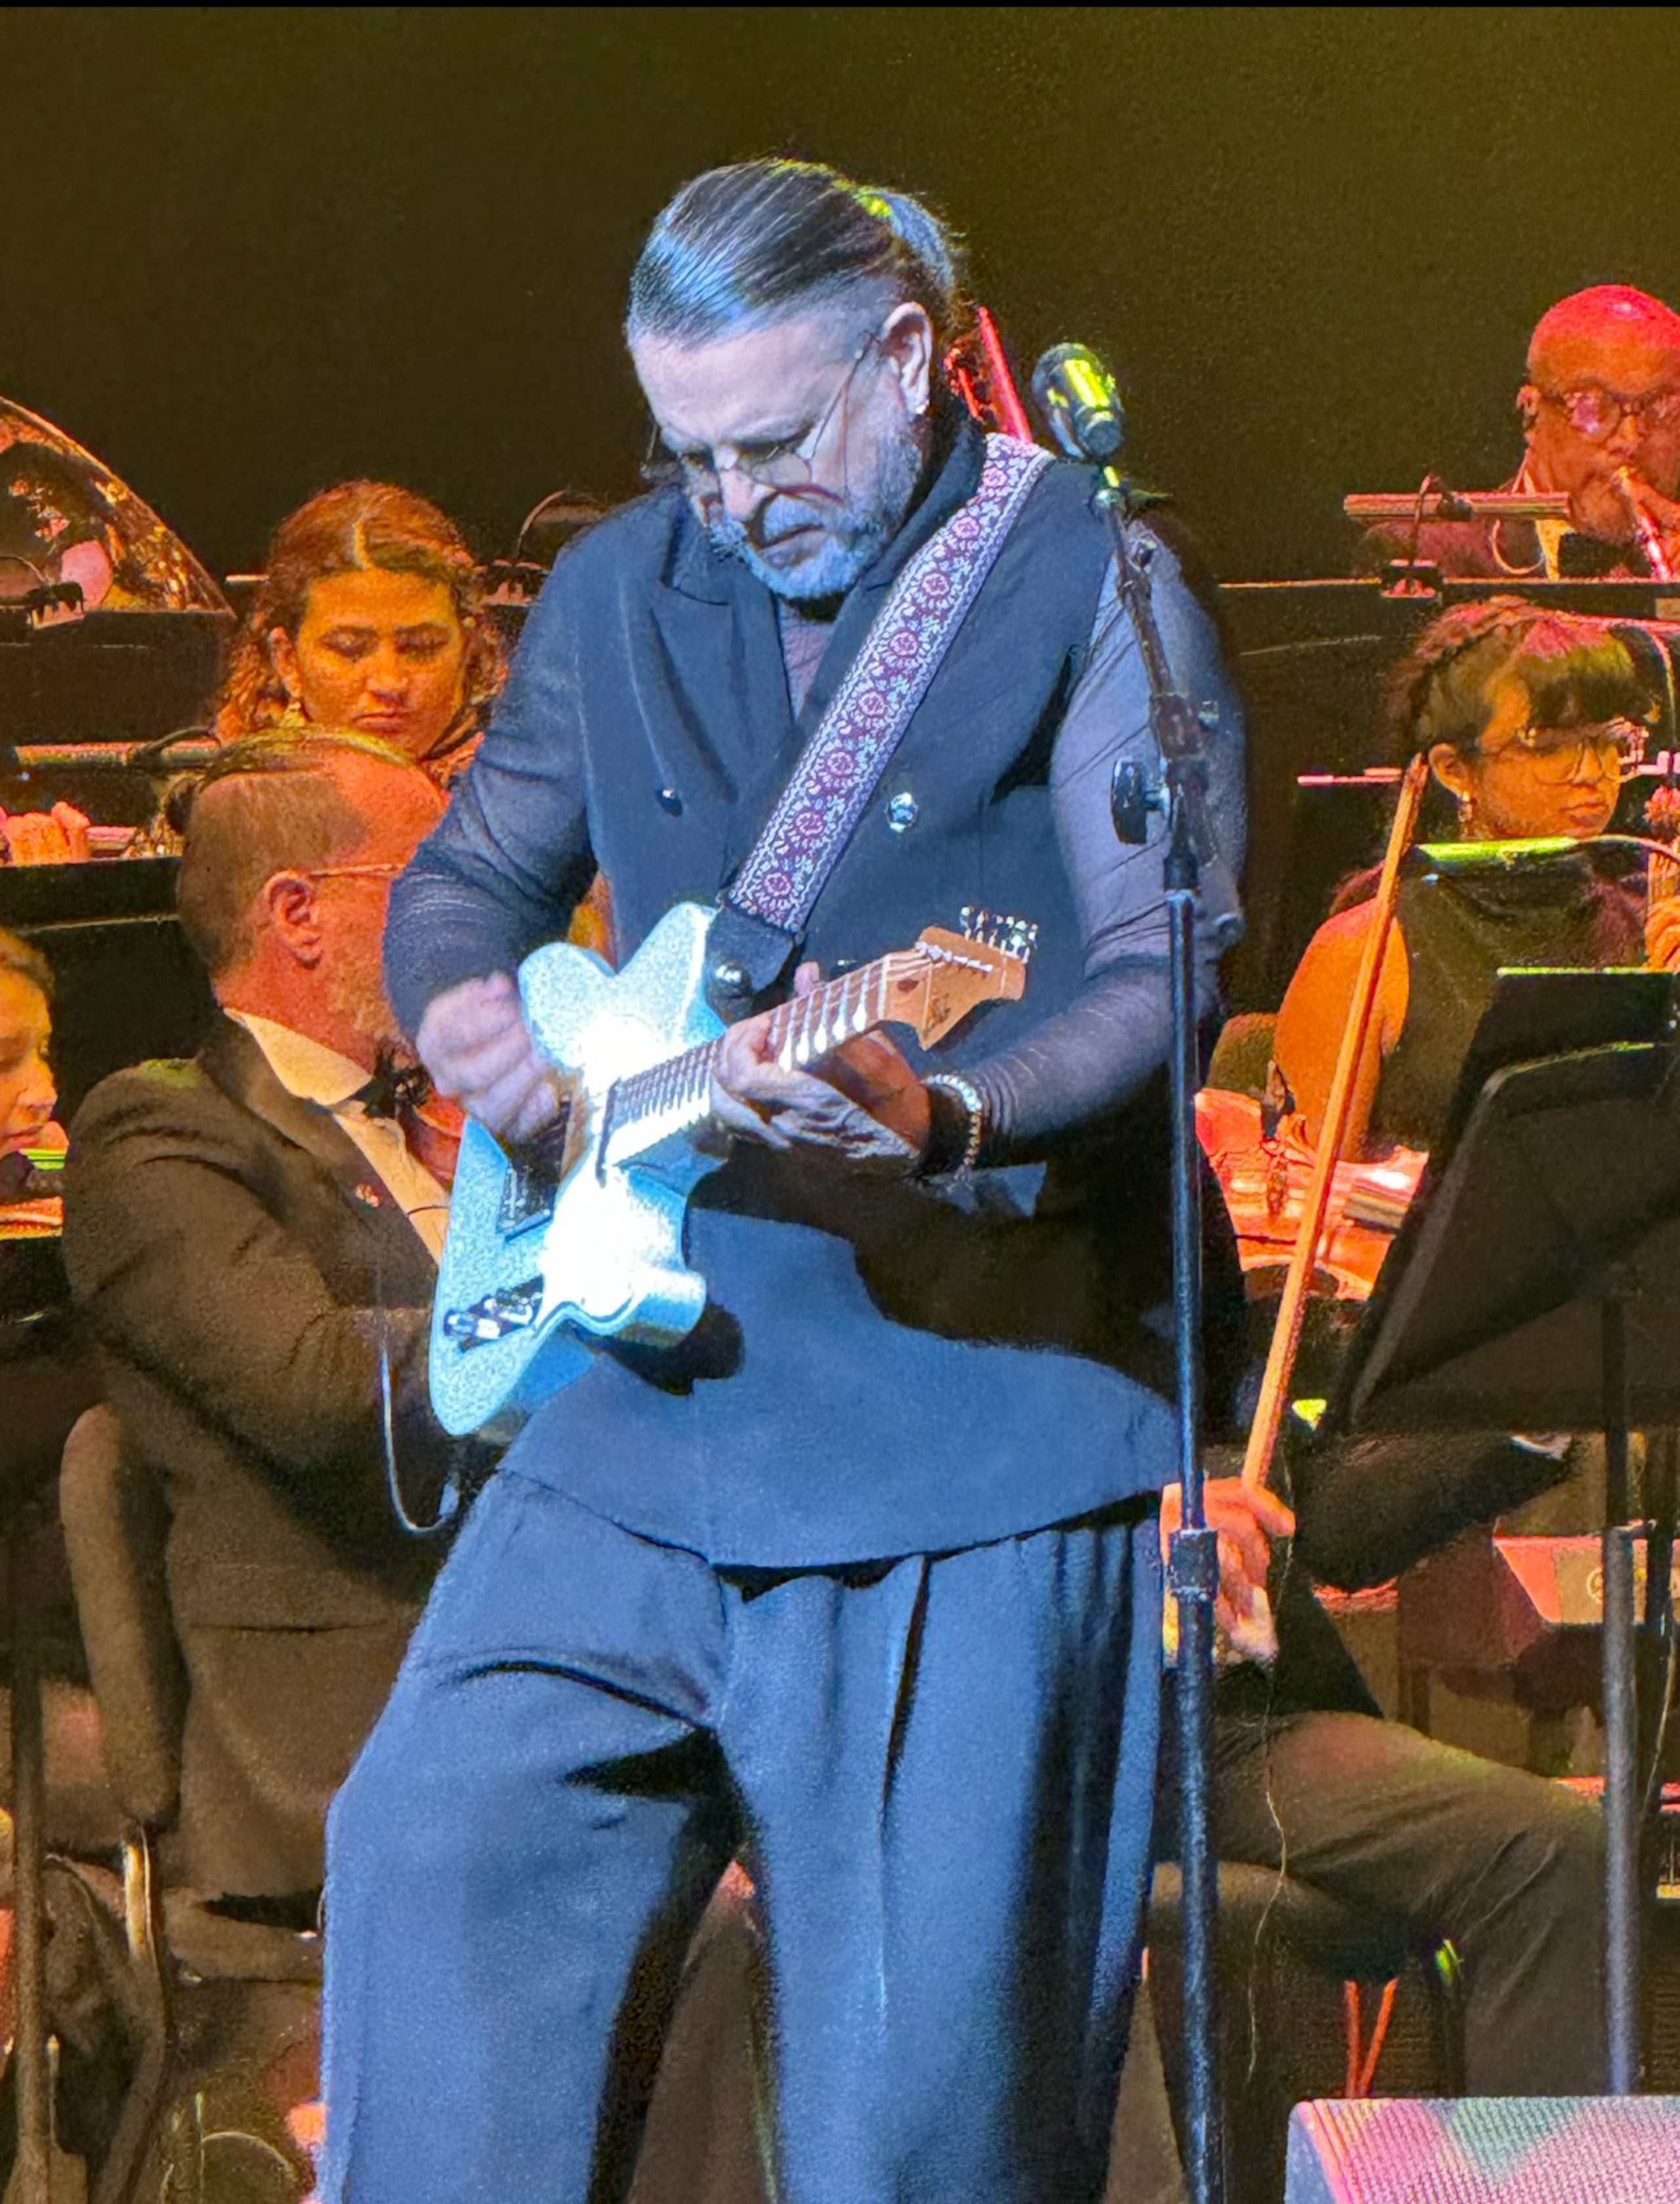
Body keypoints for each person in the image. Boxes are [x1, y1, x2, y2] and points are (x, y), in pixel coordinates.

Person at [321, 156, 1246, 2204]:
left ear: (907, 359)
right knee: (430, 1856)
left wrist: (953, 1117)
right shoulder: (619, 591)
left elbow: (1157, 963)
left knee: (920, 2130)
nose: (731, 501)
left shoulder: (1094, 585)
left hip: (968, 1433)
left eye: (771, 439)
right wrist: (469, 1014)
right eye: (688, 450)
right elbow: (472, 875)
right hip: (640, 1406)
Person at [61, 727, 479, 1913]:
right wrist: (576, 1295)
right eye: (435, 880)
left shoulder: (454, 1120)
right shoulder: (159, 1128)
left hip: (529, 1643)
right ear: (301, 913)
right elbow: (318, 1389)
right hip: (358, 1721)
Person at [1274, 596, 1663, 1160]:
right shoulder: (1367, 951)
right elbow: (1301, 1190)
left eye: (1607, 741)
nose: (1593, 773)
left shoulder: (1648, 929)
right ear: (1455, 770)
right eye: (1550, 745)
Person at [1367, 285, 1680, 580]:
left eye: (1661, 407)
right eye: (1592, 404)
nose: (1631, 439)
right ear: (1531, 415)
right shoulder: (1425, 555)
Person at [213, 482, 505, 787]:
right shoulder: (227, 793)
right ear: (288, 661)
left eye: (422, 647)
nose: (389, 683)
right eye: (350, 649)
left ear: (467, 650)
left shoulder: (525, 792)